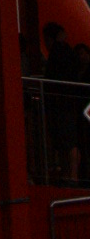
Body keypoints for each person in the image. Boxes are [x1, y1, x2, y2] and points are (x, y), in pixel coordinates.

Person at [42, 22, 82, 185]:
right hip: (70, 102)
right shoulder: (69, 53)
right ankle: (72, 174)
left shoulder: (57, 54)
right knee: (70, 140)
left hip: (62, 104)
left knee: (67, 140)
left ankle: (71, 175)